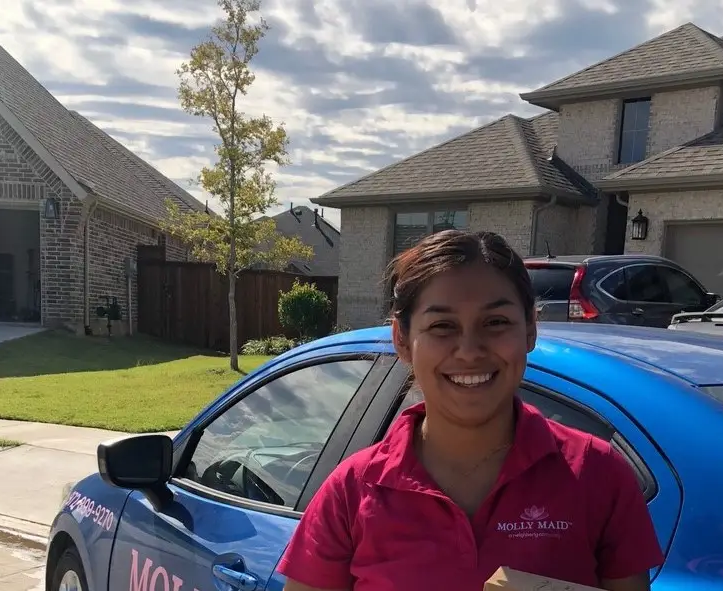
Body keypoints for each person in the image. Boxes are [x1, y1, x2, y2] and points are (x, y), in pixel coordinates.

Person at [277, 230, 664, 591]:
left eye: (496, 322)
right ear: (402, 338)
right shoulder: (351, 492)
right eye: (442, 326)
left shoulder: (599, 475)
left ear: (530, 328)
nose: (470, 350)